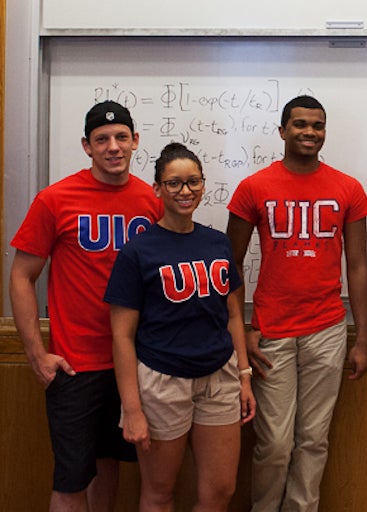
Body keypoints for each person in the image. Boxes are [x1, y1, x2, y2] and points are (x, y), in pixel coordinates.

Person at [9, 100, 163, 512]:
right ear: (86, 146)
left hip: (131, 362)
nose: (113, 146)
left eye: (121, 137)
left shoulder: (152, 200)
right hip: (76, 363)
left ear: (135, 142)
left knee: (108, 461)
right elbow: (22, 276)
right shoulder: (55, 199)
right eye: (102, 139)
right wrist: (36, 354)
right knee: (72, 478)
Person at [226, 95, 367, 512]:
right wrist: (242, 334)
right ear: (282, 131)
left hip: (327, 329)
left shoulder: (348, 188)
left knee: (313, 440)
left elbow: (358, 267)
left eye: (318, 125)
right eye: (300, 124)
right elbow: (230, 265)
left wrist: (362, 338)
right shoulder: (254, 187)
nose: (310, 132)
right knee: (274, 443)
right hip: (271, 331)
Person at [104, 142, 256, 512]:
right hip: (161, 383)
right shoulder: (137, 251)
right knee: (159, 493)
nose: (184, 191)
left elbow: (233, 313)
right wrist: (133, 409)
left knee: (221, 490)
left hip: (219, 378)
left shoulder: (217, 243)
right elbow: (122, 336)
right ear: (157, 188)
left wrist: (244, 377)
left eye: (193, 182)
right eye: (173, 183)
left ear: (203, 185)